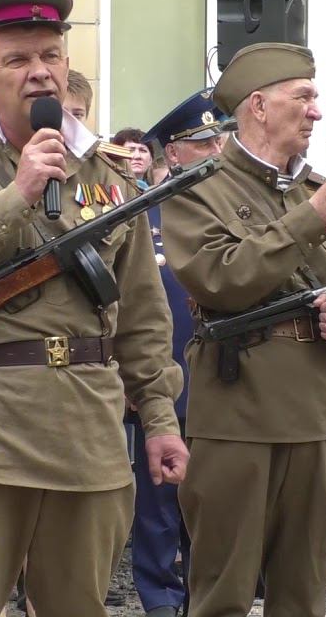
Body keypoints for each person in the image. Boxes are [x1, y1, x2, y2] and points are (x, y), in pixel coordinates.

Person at [0, 0, 186, 616]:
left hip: (87, 428)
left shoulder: (109, 170)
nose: (40, 73)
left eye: (51, 56)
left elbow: (140, 309)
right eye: (18, 60)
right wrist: (16, 194)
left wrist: (160, 417)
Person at [161, 42, 326, 617]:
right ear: (260, 107)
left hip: (319, 413)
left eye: (317, 97)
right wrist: (311, 217)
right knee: (222, 591)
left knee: (304, 590)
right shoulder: (199, 189)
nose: (317, 111)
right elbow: (221, 279)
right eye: (304, 97)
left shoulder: (320, 189)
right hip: (238, 414)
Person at [129, 90, 227, 617]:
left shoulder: (235, 213)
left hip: (228, 384)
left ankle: (206, 596)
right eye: (203, 142)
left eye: (220, 138)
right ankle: (161, 598)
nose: (217, 150)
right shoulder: (144, 215)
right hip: (168, 379)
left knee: (213, 505)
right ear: (173, 153)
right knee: (160, 505)